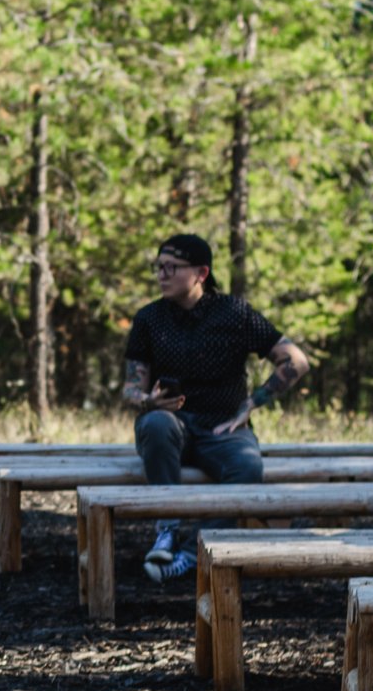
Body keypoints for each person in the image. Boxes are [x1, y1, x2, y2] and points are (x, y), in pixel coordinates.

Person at [121, 233, 310, 582]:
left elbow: (296, 361)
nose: (161, 274)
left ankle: (193, 555)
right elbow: (131, 387)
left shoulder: (234, 313)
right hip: (171, 428)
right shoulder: (149, 318)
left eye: (171, 267)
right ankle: (167, 530)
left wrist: (251, 404)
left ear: (201, 273)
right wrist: (148, 401)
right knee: (155, 424)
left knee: (248, 467)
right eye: (158, 267)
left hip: (223, 428)